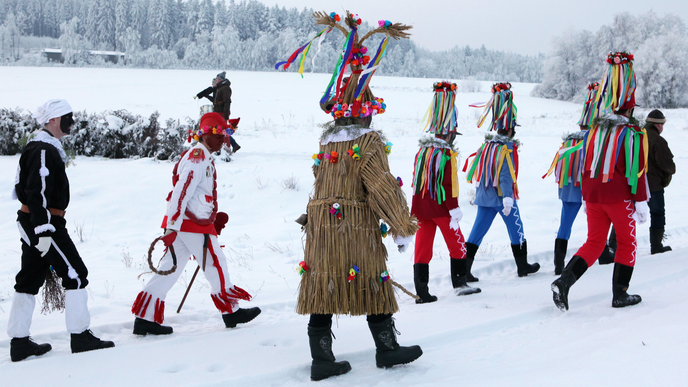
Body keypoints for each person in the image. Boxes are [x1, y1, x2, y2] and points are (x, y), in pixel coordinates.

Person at [281, 11, 421, 381]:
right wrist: (402, 225)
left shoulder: (326, 141)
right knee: (373, 277)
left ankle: (321, 358)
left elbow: (319, 178)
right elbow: (381, 186)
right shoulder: (368, 142)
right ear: (367, 110)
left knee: (323, 284)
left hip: (322, 225)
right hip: (355, 226)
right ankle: (387, 349)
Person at [131, 112, 260, 335]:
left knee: (168, 269)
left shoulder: (202, 156)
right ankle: (231, 311)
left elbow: (196, 194)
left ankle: (145, 317)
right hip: (190, 224)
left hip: (190, 222)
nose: (223, 140)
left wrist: (211, 216)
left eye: (224, 135)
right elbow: (181, 192)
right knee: (216, 263)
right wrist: (172, 226)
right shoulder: (197, 157)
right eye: (219, 135)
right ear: (206, 135)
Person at [8, 99, 115, 362]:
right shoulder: (44, 149)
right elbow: (37, 192)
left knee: (29, 278)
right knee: (76, 274)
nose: (72, 122)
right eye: (67, 117)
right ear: (53, 119)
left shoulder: (43, 147)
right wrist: (43, 231)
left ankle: (19, 342)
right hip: (44, 223)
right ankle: (80, 337)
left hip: (36, 221)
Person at [552, 51, 649, 311]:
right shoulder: (631, 133)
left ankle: (564, 282)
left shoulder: (594, 131)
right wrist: (640, 202)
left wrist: (587, 196)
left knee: (594, 242)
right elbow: (636, 171)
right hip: (618, 198)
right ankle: (620, 294)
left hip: (593, 196)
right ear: (628, 107)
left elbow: (585, 164)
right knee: (627, 243)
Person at [411, 81, 480, 303]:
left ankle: (421, 292)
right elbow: (448, 185)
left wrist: (415, 208)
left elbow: (416, 182)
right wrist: (454, 209)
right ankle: (459, 284)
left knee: (422, 248)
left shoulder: (422, 152)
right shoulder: (446, 155)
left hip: (422, 208)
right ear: (449, 133)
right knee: (457, 243)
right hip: (442, 209)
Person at [463, 83, 540, 281]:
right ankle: (522, 266)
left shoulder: (487, 145)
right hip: (501, 197)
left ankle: (464, 269)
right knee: (516, 227)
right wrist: (508, 197)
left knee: (477, 232)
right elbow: (506, 174)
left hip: (484, 196)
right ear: (511, 129)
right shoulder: (507, 148)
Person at [543, 82, 614, 275]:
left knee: (565, 224)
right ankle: (604, 254)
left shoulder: (568, 140)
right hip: (587, 190)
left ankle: (558, 263)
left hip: (567, 188)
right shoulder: (593, 141)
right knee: (599, 223)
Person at [645, 109, 675, 254]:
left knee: (628, 214)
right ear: (658, 125)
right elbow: (666, 164)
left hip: (634, 184)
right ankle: (656, 246)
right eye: (662, 124)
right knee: (657, 213)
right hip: (653, 185)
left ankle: (614, 244)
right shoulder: (658, 140)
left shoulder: (636, 135)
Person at [194, 71, 240, 152]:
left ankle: (228, 148)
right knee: (219, 129)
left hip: (222, 112)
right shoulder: (219, 88)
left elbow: (227, 101)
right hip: (218, 111)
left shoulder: (225, 88)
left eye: (218, 79)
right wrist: (205, 95)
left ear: (221, 80)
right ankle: (231, 146)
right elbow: (216, 100)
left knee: (223, 130)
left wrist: (226, 113)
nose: (216, 80)